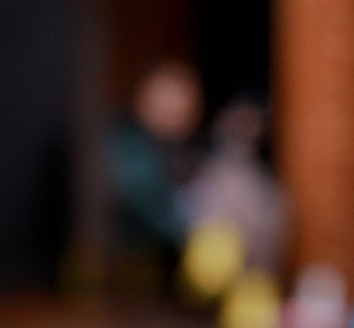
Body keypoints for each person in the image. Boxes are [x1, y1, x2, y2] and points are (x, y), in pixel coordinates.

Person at [108, 62, 203, 273]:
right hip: (128, 263)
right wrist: (196, 234)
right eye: (165, 100)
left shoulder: (183, 151)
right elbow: (149, 199)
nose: (173, 109)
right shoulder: (128, 146)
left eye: (182, 105)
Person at [179, 100, 288, 272]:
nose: (244, 130)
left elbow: (273, 233)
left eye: (250, 124)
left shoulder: (264, 182)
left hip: (251, 271)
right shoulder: (205, 171)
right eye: (238, 123)